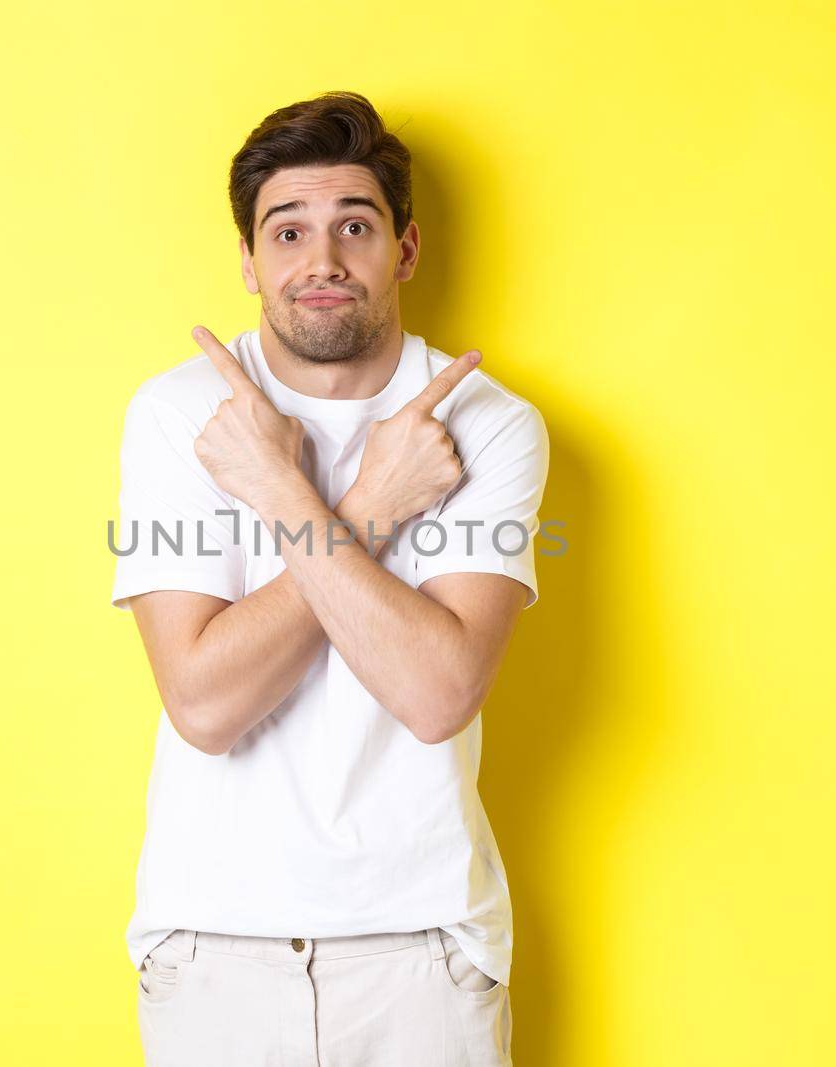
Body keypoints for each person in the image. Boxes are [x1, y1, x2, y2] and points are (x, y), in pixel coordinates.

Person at [109, 89, 549, 1066]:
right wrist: (371, 507)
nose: (322, 261)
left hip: (423, 948)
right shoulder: (182, 416)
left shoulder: (489, 425)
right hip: (211, 944)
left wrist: (282, 495)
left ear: (404, 248)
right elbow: (205, 703)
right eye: (288, 230)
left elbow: (436, 692)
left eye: (354, 225)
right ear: (247, 260)